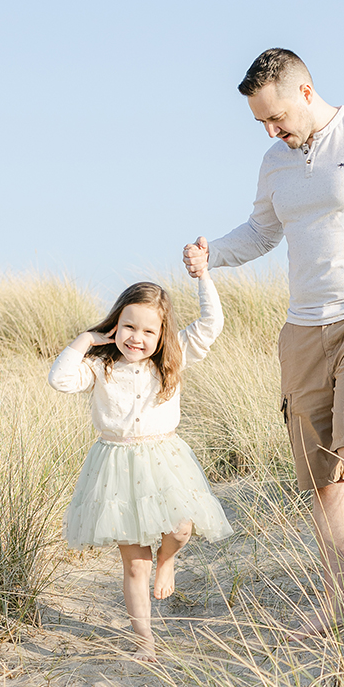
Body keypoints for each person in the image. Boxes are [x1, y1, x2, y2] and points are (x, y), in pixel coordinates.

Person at [183, 48, 344, 639]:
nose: (272, 131)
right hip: (302, 328)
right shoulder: (275, 161)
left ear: (305, 91)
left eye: (277, 118)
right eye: (261, 124)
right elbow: (262, 230)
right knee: (324, 476)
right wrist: (211, 254)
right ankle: (335, 600)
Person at [48, 272, 232, 661]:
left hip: (164, 459)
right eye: (128, 326)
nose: (137, 337)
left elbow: (211, 324)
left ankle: (168, 561)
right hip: (115, 465)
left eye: (149, 331)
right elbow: (61, 380)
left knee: (181, 528)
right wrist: (85, 341)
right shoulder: (100, 364)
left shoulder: (173, 357)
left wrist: (203, 276)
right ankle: (144, 638)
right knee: (135, 564)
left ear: (162, 334)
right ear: (115, 323)